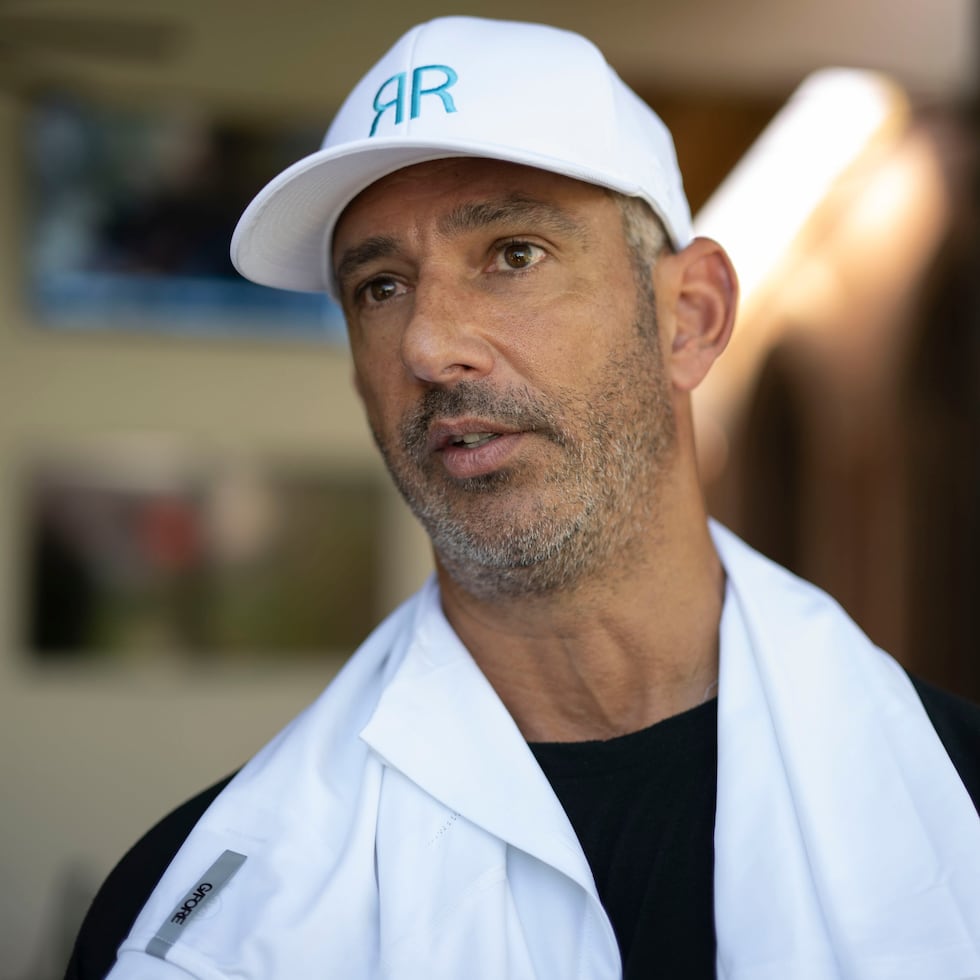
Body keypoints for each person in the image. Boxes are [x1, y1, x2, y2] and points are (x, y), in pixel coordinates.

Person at [66, 16, 980, 980]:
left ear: (690, 317)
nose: (429, 346)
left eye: (514, 254)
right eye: (380, 287)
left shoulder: (954, 795)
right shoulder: (196, 919)